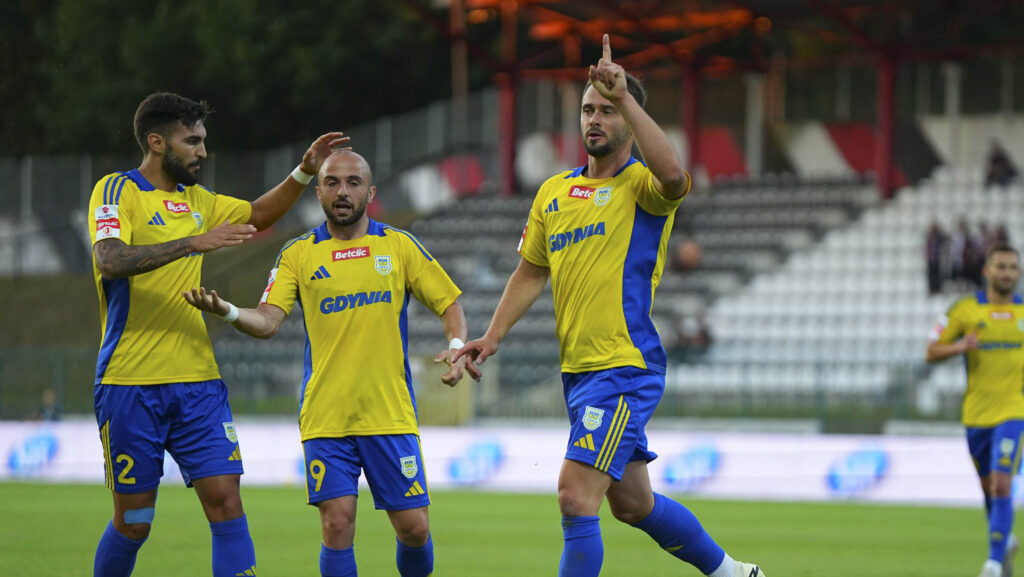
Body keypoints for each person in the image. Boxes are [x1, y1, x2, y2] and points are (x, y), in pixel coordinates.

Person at [454, 34, 764, 577]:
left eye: (607, 109)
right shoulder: (552, 193)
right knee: (633, 504)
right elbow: (530, 270)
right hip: (580, 372)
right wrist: (493, 334)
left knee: (576, 496)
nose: (594, 119)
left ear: (628, 116)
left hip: (624, 366)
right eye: (587, 110)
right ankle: (734, 573)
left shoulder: (641, 187)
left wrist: (627, 97)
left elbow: (674, 176)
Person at [88, 91, 347, 577]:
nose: (203, 152)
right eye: (192, 141)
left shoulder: (198, 201)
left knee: (227, 503)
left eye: (203, 140)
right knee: (136, 520)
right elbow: (109, 259)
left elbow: (259, 215)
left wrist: (304, 172)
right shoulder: (116, 191)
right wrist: (191, 242)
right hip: (129, 382)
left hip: (198, 382)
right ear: (157, 142)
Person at [182, 149, 470, 577]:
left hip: (388, 413)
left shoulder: (398, 246)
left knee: (413, 529)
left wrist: (457, 344)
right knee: (337, 525)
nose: (342, 191)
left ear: (370, 193)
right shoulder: (297, 254)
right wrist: (228, 312)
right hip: (326, 417)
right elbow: (268, 321)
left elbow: (449, 302)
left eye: (353, 182)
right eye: (332, 182)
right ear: (317, 192)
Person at [926, 244, 1024, 577]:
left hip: (1014, 411)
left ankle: (994, 562)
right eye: (1001, 266)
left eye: (1013, 267)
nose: (1007, 273)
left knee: (1001, 483)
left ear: (1019, 273)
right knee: (989, 489)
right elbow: (931, 350)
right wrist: (959, 346)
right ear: (987, 271)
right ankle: (1004, 539)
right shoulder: (965, 310)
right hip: (976, 415)